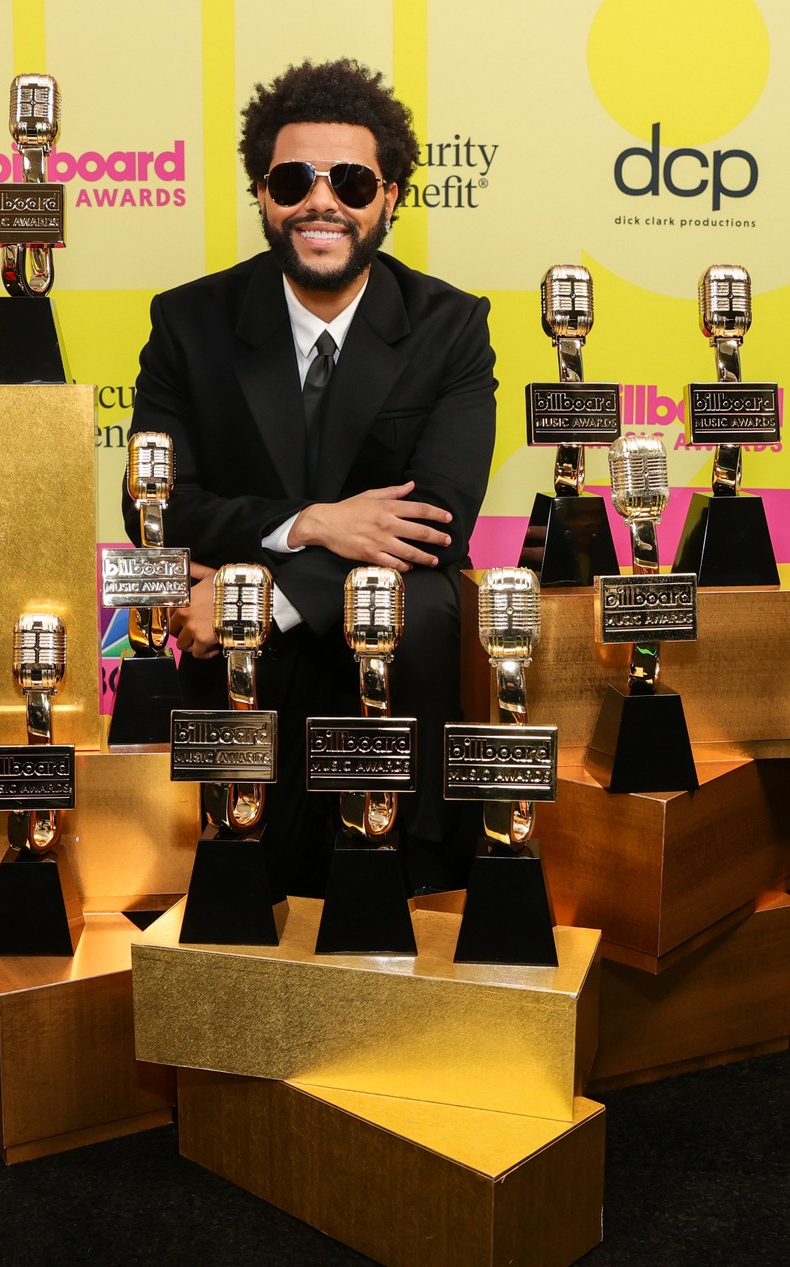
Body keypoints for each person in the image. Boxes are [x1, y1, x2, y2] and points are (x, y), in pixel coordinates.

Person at [124, 58, 496, 896]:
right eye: (294, 180)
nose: (321, 202)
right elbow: (158, 508)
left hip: (367, 634)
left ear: (389, 197)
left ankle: (408, 878)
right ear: (263, 194)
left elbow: (434, 521)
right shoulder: (188, 323)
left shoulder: (451, 328)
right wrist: (315, 522)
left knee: (416, 603)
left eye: (351, 182)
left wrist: (268, 597)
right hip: (230, 645)